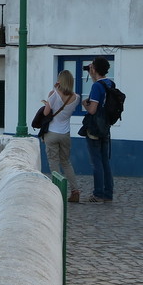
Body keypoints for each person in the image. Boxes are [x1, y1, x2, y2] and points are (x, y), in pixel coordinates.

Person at [40, 70, 79, 202]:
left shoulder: (53, 95)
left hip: (52, 133)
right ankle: (75, 191)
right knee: (66, 163)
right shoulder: (76, 98)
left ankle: (58, 193)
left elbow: (46, 113)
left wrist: (48, 101)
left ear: (59, 81)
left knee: (54, 163)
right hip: (65, 134)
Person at [81, 57, 115, 203]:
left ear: (94, 69)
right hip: (106, 127)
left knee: (96, 162)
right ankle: (108, 193)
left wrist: (84, 104)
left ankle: (98, 193)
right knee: (105, 161)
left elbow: (93, 110)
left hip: (95, 128)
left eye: (91, 68)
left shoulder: (96, 87)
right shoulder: (110, 83)